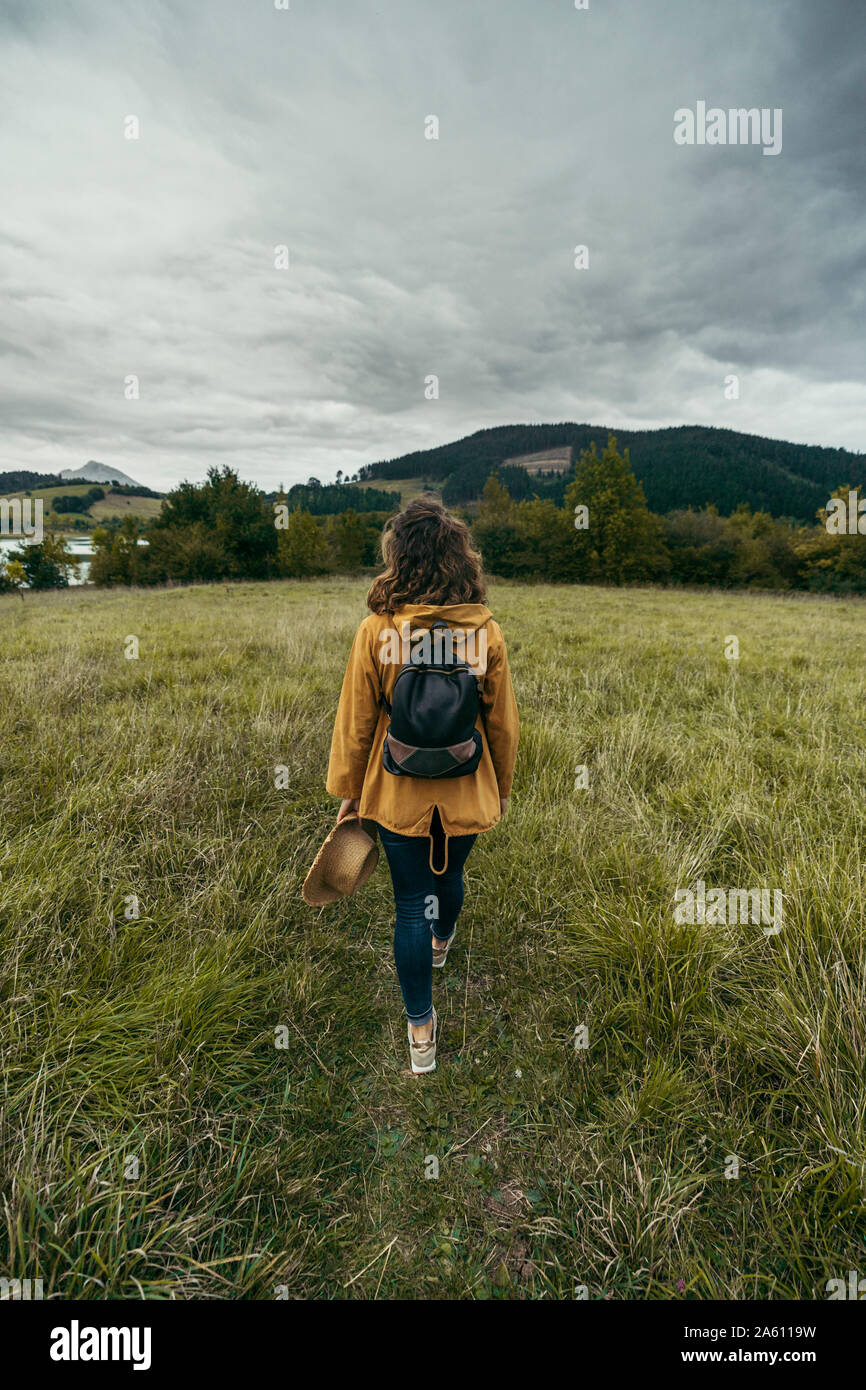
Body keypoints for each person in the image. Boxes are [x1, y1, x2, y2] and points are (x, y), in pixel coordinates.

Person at [326, 497, 518, 1073]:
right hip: (467, 790)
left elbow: (357, 721)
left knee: (409, 903)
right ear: (461, 560)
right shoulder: (484, 633)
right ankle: (444, 939)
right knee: (450, 875)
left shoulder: (377, 631)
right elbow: (502, 723)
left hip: (394, 791)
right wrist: (501, 788)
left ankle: (421, 1035)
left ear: (397, 559)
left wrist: (348, 792)